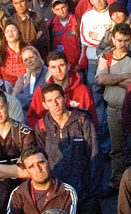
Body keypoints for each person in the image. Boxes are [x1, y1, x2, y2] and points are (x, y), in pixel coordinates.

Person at [34, 83, 102, 214]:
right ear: (44, 105)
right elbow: (42, 160)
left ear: (64, 98)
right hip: (57, 193)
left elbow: (95, 156)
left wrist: (93, 191)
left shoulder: (82, 121)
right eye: (49, 101)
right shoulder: (42, 126)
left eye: (57, 98)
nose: (55, 104)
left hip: (85, 192)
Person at [95, 23, 131, 197]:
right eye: (119, 40)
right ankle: (116, 182)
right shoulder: (106, 56)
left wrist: (111, 79)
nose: (123, 44)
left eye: (126, 40)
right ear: (113, 39)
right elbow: (100, 79)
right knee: (117, 149)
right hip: (113, 109)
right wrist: (124, 77)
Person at [7, 147, 78, 214]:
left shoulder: (67, 192)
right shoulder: (18, 194)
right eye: (31, 167)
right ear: (26, 171)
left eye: (41, 163)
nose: (38, 169)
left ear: (48, 162)